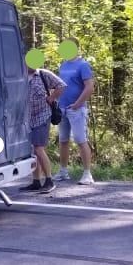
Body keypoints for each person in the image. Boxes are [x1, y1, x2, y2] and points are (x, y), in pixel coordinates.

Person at [53, 37, 96, 185]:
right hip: (62, 108)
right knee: (63, 140)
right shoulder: (63, 65)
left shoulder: (83, 65)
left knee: (80, 140)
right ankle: (63, 171)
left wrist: (78, 104)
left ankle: (87, 174)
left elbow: (89, 87)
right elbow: (61, 85)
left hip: (77, 109)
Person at [21, 65, 66, 193]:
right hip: (28, 118)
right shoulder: (20, 76)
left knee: (39, 148)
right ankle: (36, 182)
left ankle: (49, 181)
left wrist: (51, 98)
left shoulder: (43, 74)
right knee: (33, 151)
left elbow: (61, 85)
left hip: (43, 115)